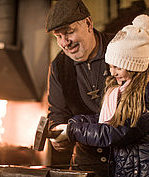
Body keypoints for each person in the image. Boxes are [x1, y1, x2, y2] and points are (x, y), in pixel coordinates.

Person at [67, 14, 149, 177]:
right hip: (126, 170)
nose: (112, 72)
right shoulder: (121, 90)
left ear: (134, 66)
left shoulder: (145, 94)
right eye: (110, 66)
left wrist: (76, 130)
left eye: (118, 67)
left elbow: (119, 131)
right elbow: (110, 118)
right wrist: (79, 121)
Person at [45, 0, 114, 176]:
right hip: (85, 163)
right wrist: (57, 133)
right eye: (58, 36)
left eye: (69, 32)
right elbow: (57, 113)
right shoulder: (58, 66)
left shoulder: (120, 50)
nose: (64, 42)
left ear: (88, 24)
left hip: (126, 160)